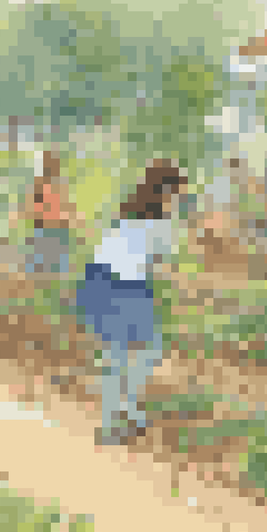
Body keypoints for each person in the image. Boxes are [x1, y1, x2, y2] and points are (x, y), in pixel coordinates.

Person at [80, 160, 188, 446]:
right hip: (124, 283)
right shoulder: (161, 224)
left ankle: (120, 418)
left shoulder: (128, 213)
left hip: (101, 280)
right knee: (143, 352)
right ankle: (122, 419)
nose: (179, 200)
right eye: (178, 193)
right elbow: (160, 266)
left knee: (121, 356)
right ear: (167, 191)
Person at [19, 150, 83, 276]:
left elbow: (68, 207)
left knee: (59, 269)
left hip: (59, 230)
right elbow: (31, 208)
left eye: (55, 163)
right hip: (43, 229)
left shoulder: (61, 185)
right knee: (40, 269)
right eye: (50, 162)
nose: (53, 166)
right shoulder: (39, 184)